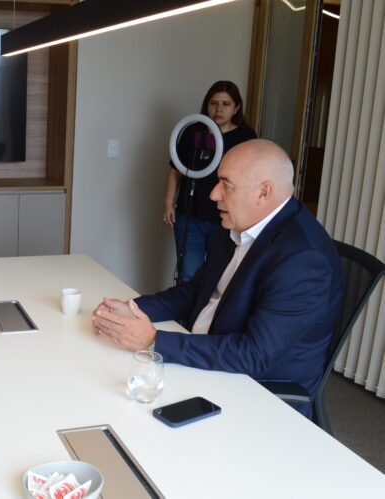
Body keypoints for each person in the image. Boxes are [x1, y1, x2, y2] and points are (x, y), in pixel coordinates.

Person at [94, 139, 343, 415]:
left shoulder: (302, 259)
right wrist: (134, 309)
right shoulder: (238, 223)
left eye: (226, 184)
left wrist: (153, 340)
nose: (213, 194)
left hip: (256, 394)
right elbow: (195, 291)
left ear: (263, 193)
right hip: (209, 360)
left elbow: (253, 355)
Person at [163, 81, 257, 282]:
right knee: (188, 276)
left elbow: (250, 180)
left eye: (226, 104)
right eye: (214, 103)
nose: (219, 109)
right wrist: (168, 203)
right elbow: (176, 170)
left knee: (220, 277)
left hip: (225, 219)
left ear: (236, 108)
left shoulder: (245, 137)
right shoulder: (193, 130)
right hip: (190, 216)